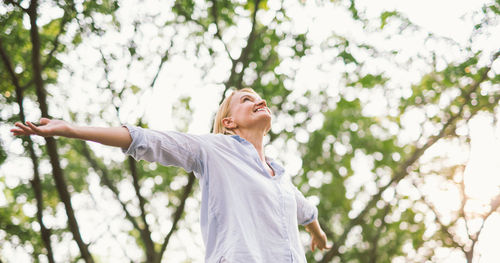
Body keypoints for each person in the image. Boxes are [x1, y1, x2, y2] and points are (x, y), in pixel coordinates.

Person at [11, 88, 330, 262]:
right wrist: (70, 130)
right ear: (229, 122)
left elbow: (305, 210)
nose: (259, 100)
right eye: (246, 99)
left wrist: (317, 233)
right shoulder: (216, 150)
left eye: (259, 97)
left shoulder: (280, 178)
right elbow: (147, 140)